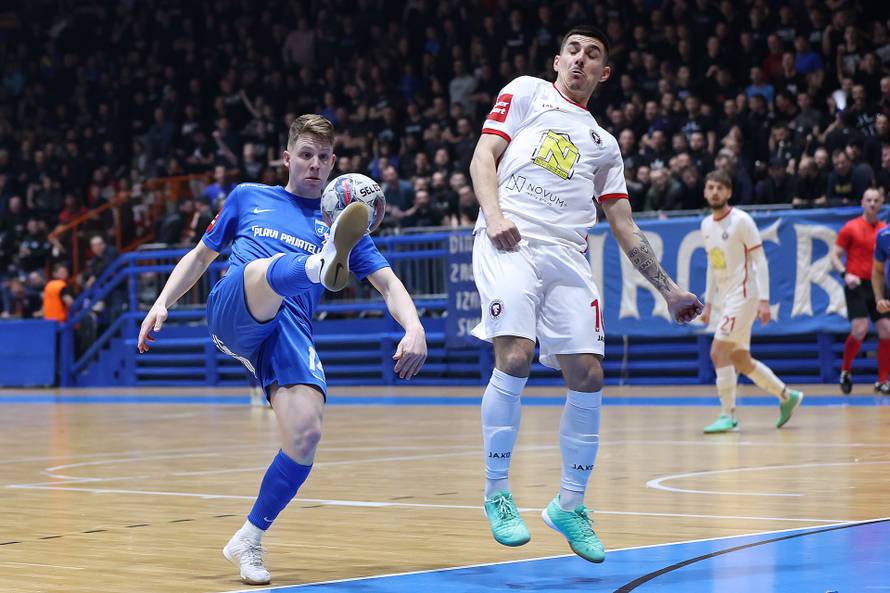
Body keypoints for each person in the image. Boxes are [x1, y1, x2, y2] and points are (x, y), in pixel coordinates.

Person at [136, 114, 427, 585]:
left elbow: (390, 284)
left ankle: (248, 538)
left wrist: (414, 327)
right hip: (236, 303)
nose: (315, 165)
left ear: (334, 163)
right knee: (259, 272)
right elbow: (200, 256)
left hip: (289, 329)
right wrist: (162, 303)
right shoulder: (249, 196)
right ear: (287, 158)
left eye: (324, 158)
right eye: (306, 156)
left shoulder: (341, 222)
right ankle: (318, 266)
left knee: (306, 434)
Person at [468, 26, 702, 564]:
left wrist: (668, 290)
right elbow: (484, 158)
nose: (580, 59)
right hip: (511, 239)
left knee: (589, 373)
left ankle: (569, 505)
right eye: (573, 50)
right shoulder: (526, 91)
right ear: (557, 61)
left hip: (567, 255)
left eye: (592, 54)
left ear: (604, 73)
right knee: (516, 355)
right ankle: (496, 492)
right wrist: (496, 216)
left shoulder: (605, 145)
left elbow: (623, 225)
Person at [698, 171, 804, 432]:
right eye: (710, 187)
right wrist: (708, 303)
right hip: (726, 299)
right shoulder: (705, 225)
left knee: (717, 352)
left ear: (729, 192)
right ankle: (786, 396)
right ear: (704, 191)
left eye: (719, 188)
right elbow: (713, 267)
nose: (714, 192)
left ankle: (728, 415)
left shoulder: (741, 221)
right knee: (741, 360)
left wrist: (764, 301)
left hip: (745, 296)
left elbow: (760, 260)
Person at [831, 188, 890, 394]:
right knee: (860, 329)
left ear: (881, 203)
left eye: (876, 200)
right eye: (869, 200)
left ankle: (882, 381)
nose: (872, 204)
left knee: (886, 329)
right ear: (862, 203)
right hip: (856, 285)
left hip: (878, 285)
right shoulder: (851, 228)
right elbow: (835, 255)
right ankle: (846, 370)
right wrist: (845, 274)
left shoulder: (884, 230)